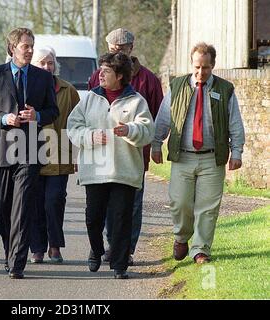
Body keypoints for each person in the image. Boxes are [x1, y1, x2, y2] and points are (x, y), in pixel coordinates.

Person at [151, 42, 245, 264]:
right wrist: (156, 143)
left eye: (205, 67)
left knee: (208, 207)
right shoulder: (177, 86)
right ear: (191, 64)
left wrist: (237, 151)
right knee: (179, 202)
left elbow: (235, 123)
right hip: (183, 156)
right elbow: (164, 118)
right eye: (196, 67)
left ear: (213, 65)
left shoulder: (225, 89)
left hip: (212, 158)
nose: (200, 72)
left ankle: (200, 249)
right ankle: (182, 236)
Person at [0, 27, 58, 279]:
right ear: (12, 48)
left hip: (29, 150)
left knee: (22, 206)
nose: (30, 50)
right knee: (2, 207)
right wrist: (3, 118)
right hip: (1, 148)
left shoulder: (43, 78)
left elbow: (52, 111)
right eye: (26, 46)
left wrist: (38, 116)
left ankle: (17, 262)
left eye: (32, 45)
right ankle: (10, 251)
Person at [67, 52, 154, 279]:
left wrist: (130, 130)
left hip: (123, 171)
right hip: (95, 170)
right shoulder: (89, 99)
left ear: (120, 76)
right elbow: (73, 127)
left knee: (121, 219)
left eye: (106, 71)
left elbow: (147, 131)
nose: (100, 74)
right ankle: (96, 250)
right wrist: (91, 136)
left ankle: (120, 264)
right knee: (93, 218)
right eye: (100, 70)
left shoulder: (137, 101)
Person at [88, 28, 163, 266]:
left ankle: (125, 249)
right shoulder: (96, 77)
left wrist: (155, 144)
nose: (116, 53)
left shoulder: (148, 80)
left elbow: (158, 115)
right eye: (112, 49)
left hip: (133, 154)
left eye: (121, 49)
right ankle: (112, 246)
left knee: (130, 204)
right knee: (106, 205)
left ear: (131, 48)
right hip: (103, 153)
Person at [29, 46, 80, 264]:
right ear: (33, 65)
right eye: (41, 63)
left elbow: (79, 124)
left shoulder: (69, 91)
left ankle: (55, 245)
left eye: (50, 63)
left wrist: (78, 155)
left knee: (54, 201)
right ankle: (37, 248)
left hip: (60, 156)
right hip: (31, 154)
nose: (46, 67)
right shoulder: (27, 88)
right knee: (35, 202)